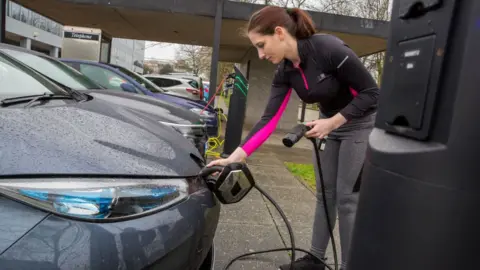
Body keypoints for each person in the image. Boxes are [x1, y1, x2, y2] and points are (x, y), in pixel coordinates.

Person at [207, 5, 379, 270]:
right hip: (329, 127)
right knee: (325, 195)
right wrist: (234, 158)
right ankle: (315, 259)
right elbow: (268, 120)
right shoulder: (285, 71)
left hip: (360, 123)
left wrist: (332, 123)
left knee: (346, 199)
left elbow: (371, 93)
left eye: (262, 45)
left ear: (279, 33)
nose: (261, 55)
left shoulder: (329, 49)